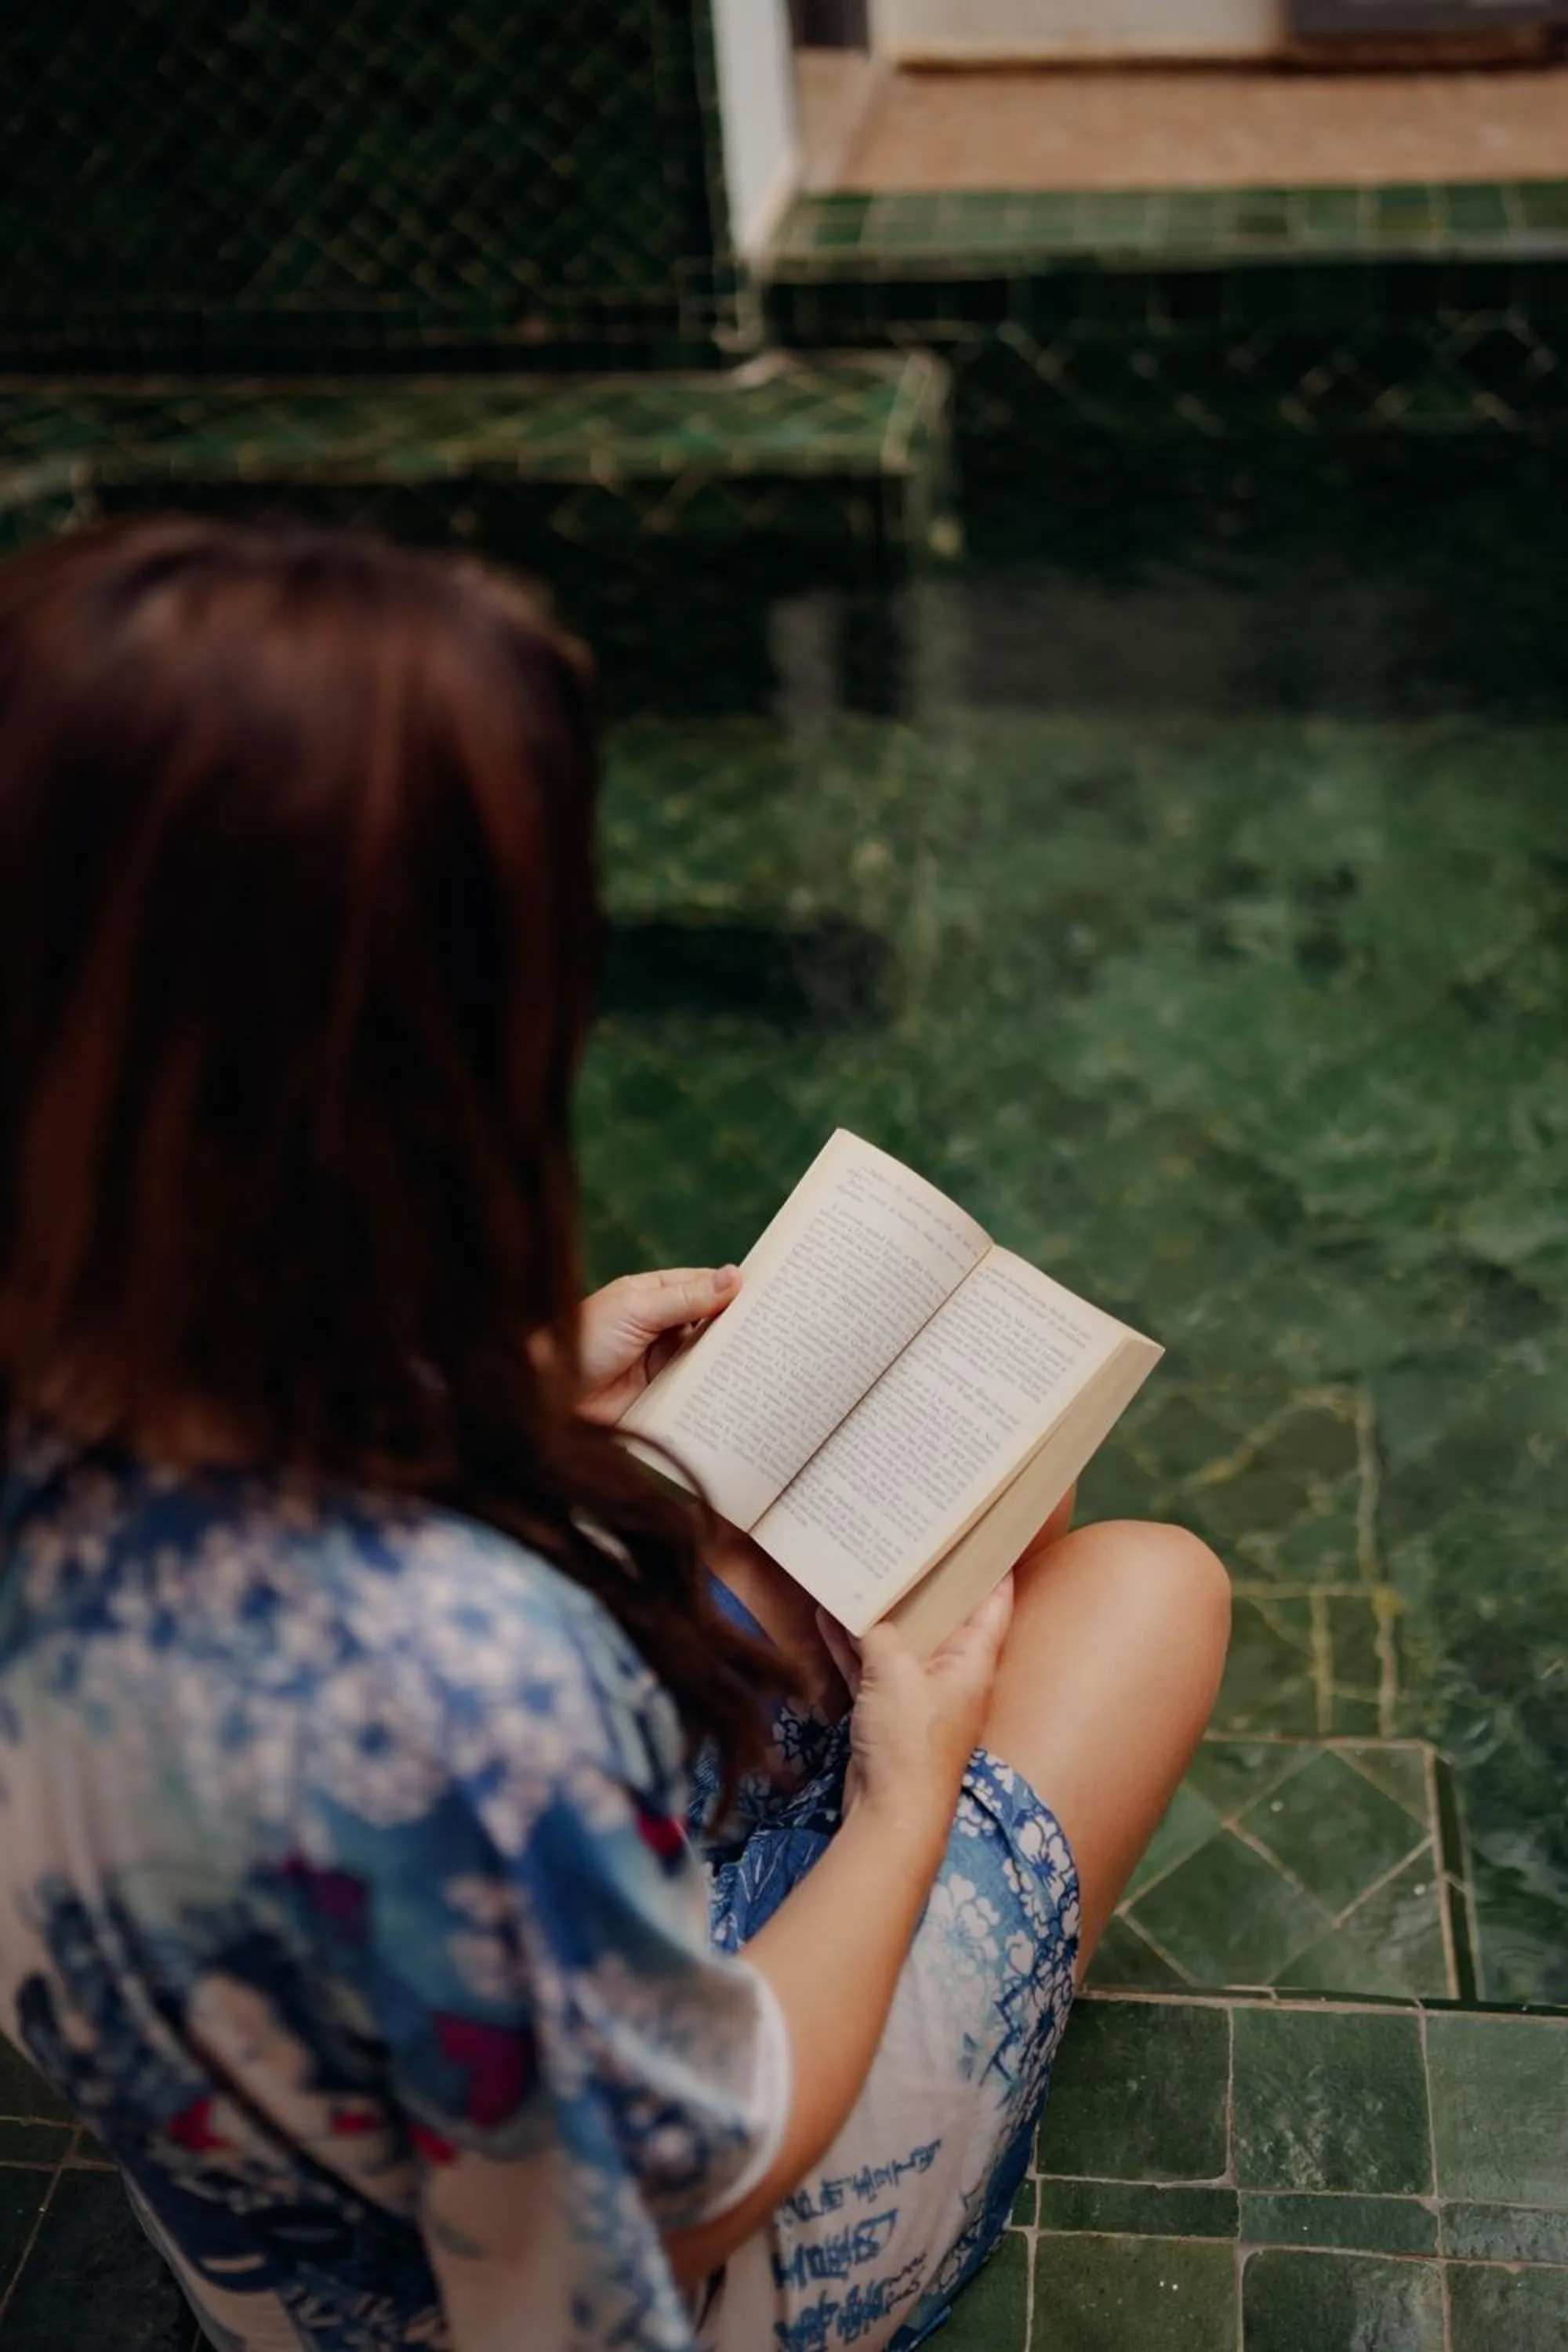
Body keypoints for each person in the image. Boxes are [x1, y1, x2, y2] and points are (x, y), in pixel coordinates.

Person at [0, 518, 1231, 2352]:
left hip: (301, 2211)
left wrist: (503, 1403)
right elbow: (688, 2188)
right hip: (640, 2275)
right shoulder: (454, 1678)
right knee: (1135, 1583)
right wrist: (903, 1802)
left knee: (952, 1506)